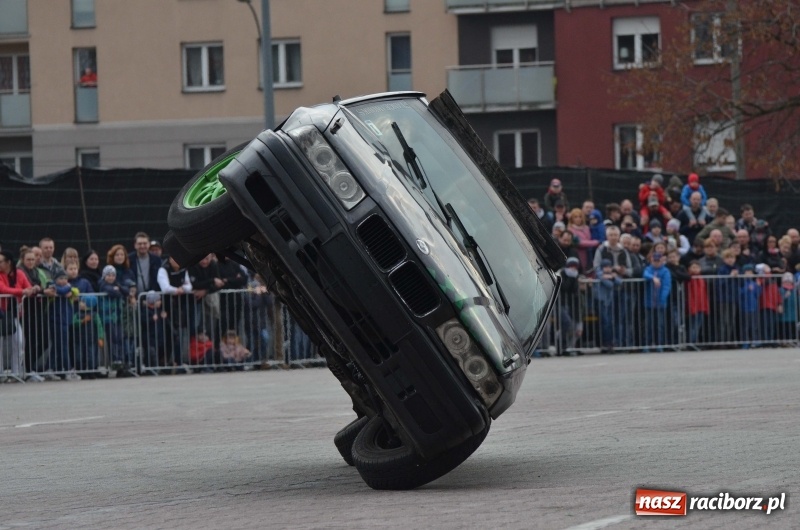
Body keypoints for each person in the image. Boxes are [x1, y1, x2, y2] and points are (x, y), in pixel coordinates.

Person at [0, 250, 35, 381]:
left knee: (19, 341)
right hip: (1, 312)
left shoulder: (19, 273)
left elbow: (28, 286)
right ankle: (1, 374)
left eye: (0, 262)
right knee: (0, 343)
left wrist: (33, 289)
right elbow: (2, 289)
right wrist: (21, 291)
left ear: (8, 262)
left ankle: (16, 371)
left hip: (14, 313)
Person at [157, 257, 194, 370]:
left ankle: (178, 361)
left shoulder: (184, 269)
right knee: (168, 336)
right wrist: (177, 290)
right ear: (170, 259)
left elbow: (189, 286)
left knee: (178, 335)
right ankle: (163, 361)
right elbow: (165, 288)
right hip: (166, 307)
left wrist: (182, 289)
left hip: (179, 308)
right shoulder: (163, 269)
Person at [97, 265, 131, 375]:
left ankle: (120, 360)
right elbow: (113, 292)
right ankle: (115, 360)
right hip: (108, 317)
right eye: (108, 275)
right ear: (104, 276)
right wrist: (117, 291)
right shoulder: (102, 284)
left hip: (117, 317)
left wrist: (119, 288)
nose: (111, 278)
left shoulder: (116, 284)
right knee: (113, 339)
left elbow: (126, 291)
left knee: (119, 338)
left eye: (113, 275)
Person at [49, 270, 80, 380]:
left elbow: (76, 291)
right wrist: (69, 288)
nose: (63, 281)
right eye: (60, 279)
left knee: (61, 345)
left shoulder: (68, 286)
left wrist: (72, 290)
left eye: (65, 279)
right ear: (55, 279)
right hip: (56, 319)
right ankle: (67, 369)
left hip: (66, 319)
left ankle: (53, 368)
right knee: (61, 345)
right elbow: (61, 290)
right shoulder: (52, 286)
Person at [642, 250, 671, 352]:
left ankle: (659, 343)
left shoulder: (665, 271)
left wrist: (662, 299)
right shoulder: (648, 269)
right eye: (654, 261)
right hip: (649, 302)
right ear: (651, 260)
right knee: (648, 325)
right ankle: (647, 344)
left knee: (659, 325)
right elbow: (645, 274)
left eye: (658, 261)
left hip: (660, 303)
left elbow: (666, 286)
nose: (656, 262)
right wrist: (653, 278)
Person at [72, 295, 103, 377]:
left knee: (91, 355)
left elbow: (99, 326)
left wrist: (100, 338)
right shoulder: (77, 314)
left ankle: (92, 370)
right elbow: (74, 323)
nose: (80, 303)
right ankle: (80, 371)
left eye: (83, 302)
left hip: (92, 339)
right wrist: (82, 321)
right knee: (79, 356)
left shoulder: (94, 315)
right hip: (79, 339)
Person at [595, 258, 622, 353]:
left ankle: (610, 343)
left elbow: (619, 281)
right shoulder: (598, 273)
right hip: (602, 301)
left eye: (609, 267)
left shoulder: (610, 275)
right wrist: (609, 278)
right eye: (606, 267)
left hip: (609, 301)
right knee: (605, 323)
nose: (608, 269)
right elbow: (609, 284)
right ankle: (605, 344)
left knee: (610, 323)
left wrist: (613, 277)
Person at [664, 248, 689, 346]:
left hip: (680, 297)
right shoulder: (666, 267)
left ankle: (678, 341)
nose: (672, 259)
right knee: (673, 321)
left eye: (674, 257)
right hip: (670, 297)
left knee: (680, 321)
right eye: (670, 257)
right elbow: (672, 276)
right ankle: (671, 342)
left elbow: (687, 277)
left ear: (678, 257)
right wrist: (678, 275)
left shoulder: (681, 267)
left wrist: (677, 273)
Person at [140, 291, 170, 370]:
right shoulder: (145, 311)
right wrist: (151, 319)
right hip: (150, 337)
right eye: (158, 300)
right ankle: (153, 368)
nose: (160, 302)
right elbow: (143, 322)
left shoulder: (159, 311)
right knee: (151, 352)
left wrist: (165, 318)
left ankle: (161, 366)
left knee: (162, 350)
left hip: (159, 337)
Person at [567, 208, 600, 273]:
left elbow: (589, 239)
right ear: (572, 218)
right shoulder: (570, 229)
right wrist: (596, 242)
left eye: (580, 216)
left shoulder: (587, 228)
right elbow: (579, 242)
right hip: (577, 253)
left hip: (588, 253)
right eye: (575, 217)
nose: (578, 219)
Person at [686, 260, 709, 345]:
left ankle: (694, 341)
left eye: (697, 267)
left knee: (698, 325)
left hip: (701, 305)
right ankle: (691, 342)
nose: (695, 269)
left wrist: (706, 306)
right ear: (689, 269)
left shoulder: (701, 278)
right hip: (693, 305)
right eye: (693, 267)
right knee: (693, 325)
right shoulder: (689, 279)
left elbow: (704, 293)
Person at [739, 264, 761, 348]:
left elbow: (758, 294)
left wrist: (758, 286)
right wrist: (746, 289)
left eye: (750, 272)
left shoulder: (754, 283)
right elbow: (739, 293)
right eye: (747, 272)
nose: (749, 274)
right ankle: (745, 342)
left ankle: (755, 341)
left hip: (754, 307)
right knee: (745, 326)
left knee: (754, 325)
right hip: (745, 308)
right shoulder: (742, 283)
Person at [758, 265, 781, 345]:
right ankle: (766, 340)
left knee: (772, 324)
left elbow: (777, 293)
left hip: (773, 306)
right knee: (765, 324)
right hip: (764, 305)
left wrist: (779, 303)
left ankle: (770, 340)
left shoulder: (773, 282)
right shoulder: (761, 280)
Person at [778, 273, 798, 345]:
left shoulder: (795, 291)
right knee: (784, 327)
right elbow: (779, 300)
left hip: (793, 313)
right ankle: (784, 341)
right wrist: (784, 297)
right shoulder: (780, 289)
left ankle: (792, 340)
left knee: (792, 327)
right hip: (784, 314)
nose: (788, 282)